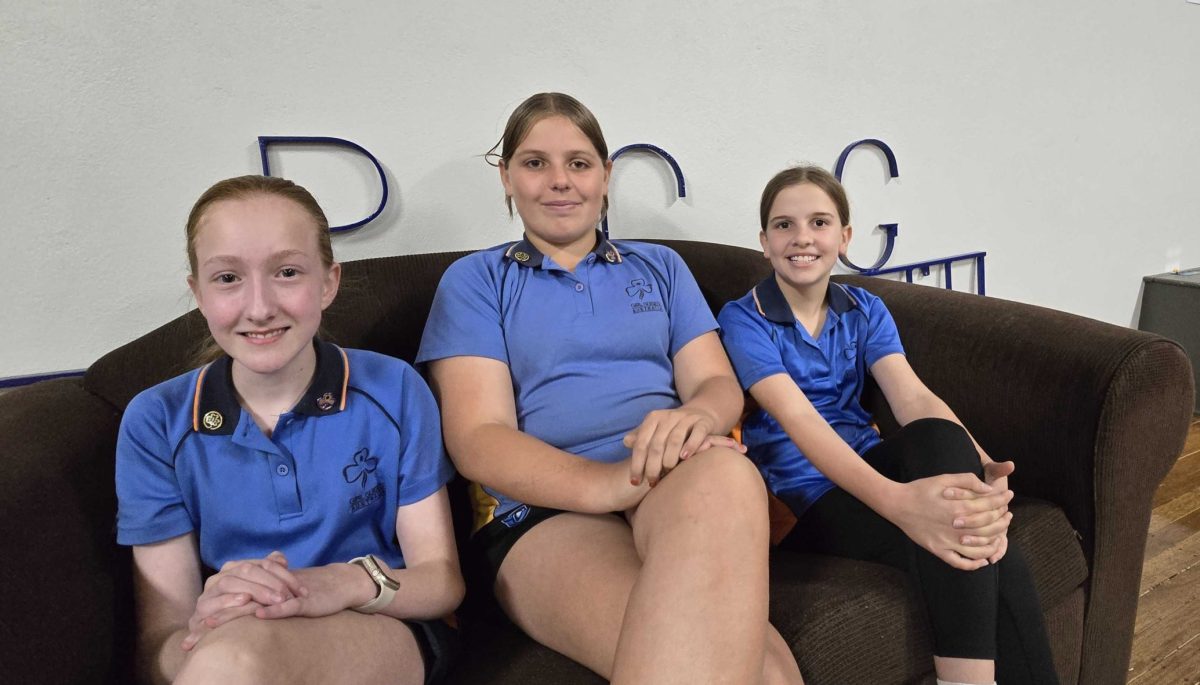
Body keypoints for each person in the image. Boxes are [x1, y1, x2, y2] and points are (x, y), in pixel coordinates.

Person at [417, 93, 804, 684]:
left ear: (605, 175)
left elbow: (716, 382)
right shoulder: (476, 281)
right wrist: (610, 485)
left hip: (672, 475)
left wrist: (697, 416)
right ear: (507, 178)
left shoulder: (661, 267)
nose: (558, 182)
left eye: (578, 162)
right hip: (544, 511)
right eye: (534, 162)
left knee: (728, 472)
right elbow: (478, 438)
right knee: (766, 671)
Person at [717, 165, 1059, 685]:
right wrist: (901, 504)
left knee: (951, 474)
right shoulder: (745, 317)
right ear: (764, 242)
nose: (802, 237)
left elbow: (913, 396)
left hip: (870, 462)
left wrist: (982, 465)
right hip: (806, 502)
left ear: (844, 237)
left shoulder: (865, 307)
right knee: (981, 544)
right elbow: (800, 420)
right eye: (784, 225)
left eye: (819, 222)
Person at [115, 175, 464, 685]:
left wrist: (338, 583)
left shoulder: (394, 389)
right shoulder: (154, 422)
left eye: (286, 272)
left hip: (383, 620)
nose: (259, 307)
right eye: (227, 278)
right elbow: (160, 648)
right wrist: (210, 618)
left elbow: (441, 582)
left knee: (240, 653)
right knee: (235, 652)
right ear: (198, 294)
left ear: (328, 282)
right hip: (229, 641)